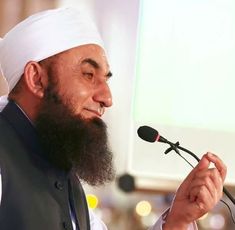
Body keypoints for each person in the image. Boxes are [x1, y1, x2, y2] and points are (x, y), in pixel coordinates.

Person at [0, 7, 226, 230]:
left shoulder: (67, 180)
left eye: (105, 79)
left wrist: (178, 219)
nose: (107, 98)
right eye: (88, 75)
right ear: (37, 79)